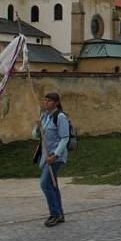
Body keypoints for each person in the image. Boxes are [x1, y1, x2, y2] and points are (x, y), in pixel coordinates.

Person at [32, 92, 70, 227]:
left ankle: (55, 214)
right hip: (45, 157)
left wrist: (55, 155)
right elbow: (36, 136)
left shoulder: (60, 117)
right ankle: (59, 214)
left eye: (49, 101)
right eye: (45, 100)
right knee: (53, 186)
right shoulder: (44, 116)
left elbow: (65, 138)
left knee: (45, 183)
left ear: (56, 102)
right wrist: (37, 127)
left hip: (56, 157)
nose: (46, 102)